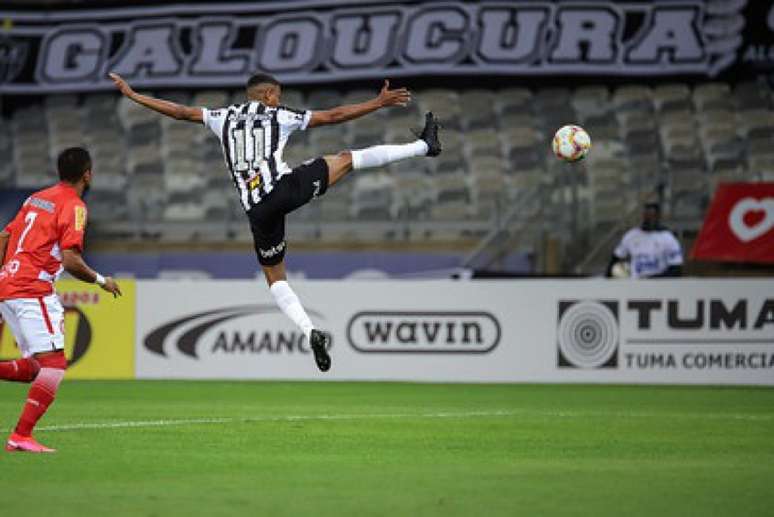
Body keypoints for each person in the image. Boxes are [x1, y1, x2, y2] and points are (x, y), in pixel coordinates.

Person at [109, 72, 442, 372]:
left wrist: (134, 95)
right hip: (284, 190)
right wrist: (378, 102)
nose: (279, 100)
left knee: (275, 278)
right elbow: (334, 116)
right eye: (277, 95)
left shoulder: (220, 117)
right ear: (267, 95)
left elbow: (180, 112)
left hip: (256, 210)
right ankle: (423, 147)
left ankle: (310, 331)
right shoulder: (278, 115)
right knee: (346, 159)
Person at [0, 147, 122, 453]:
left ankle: (21, 436)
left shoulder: (34, 198)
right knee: (54, 366)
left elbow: (4, 236)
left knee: (34, 367)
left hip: (8, 284)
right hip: (32, 288)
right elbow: (71, 261)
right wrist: (102, 281)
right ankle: (20, 436)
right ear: (87, 174)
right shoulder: (75, 206)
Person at [606, 202, 683, 278]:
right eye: (645, 215)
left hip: (659, 284)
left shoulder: (667, 238)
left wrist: (652, 279)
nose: (648, 219)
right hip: (636, 284)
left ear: (657, 217)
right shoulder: (631, 235)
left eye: (651, 216)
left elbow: (676, 269)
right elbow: (615, 259)